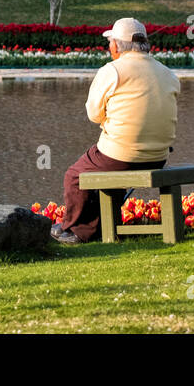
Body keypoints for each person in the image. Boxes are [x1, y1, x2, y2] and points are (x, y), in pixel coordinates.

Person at [52, 17, 181, 244]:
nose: (108, 46)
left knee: (74, 176)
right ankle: (95, 228)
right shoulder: (167, 72)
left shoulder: (112, 70)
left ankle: (72, 229)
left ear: (117, 45)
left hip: (121, 155)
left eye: (110, 41)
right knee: (108, 176)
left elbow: (94, 115)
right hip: (159, 157)